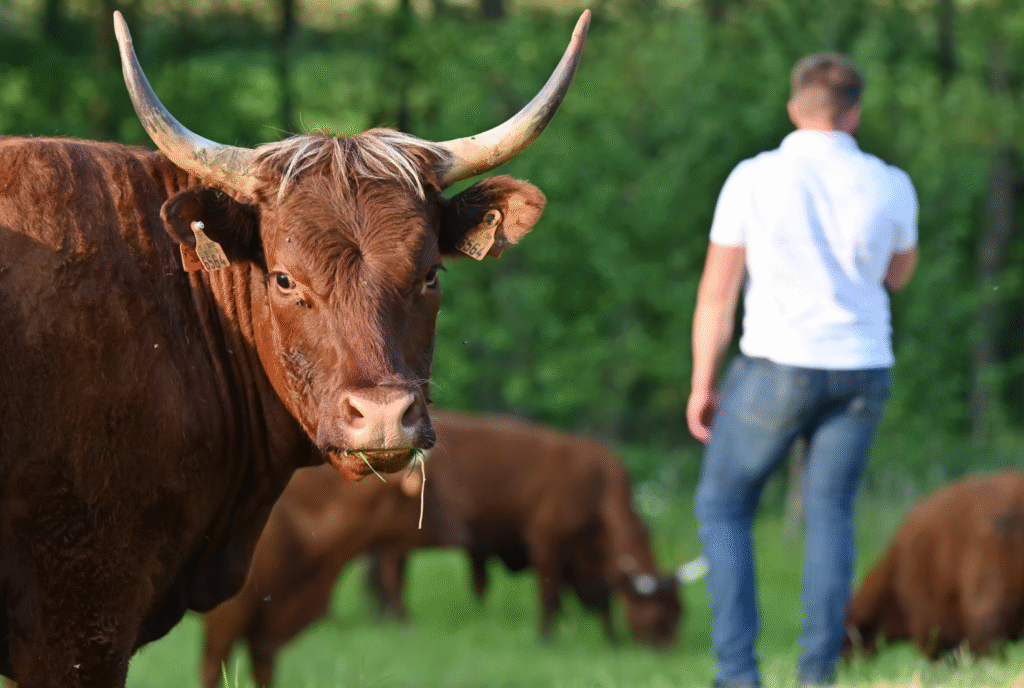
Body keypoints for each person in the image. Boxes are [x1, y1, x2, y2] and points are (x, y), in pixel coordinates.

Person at [687, 53, 918, 688]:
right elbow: (898, 275)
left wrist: (703, 382)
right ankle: (817, 677)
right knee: (831, 513)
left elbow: (717, 293)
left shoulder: (753, 178)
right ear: (855, 114)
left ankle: (739, 676)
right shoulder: (892, 183)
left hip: (776, 366)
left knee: (725, 506)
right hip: (864, 368)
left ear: (795, 108)